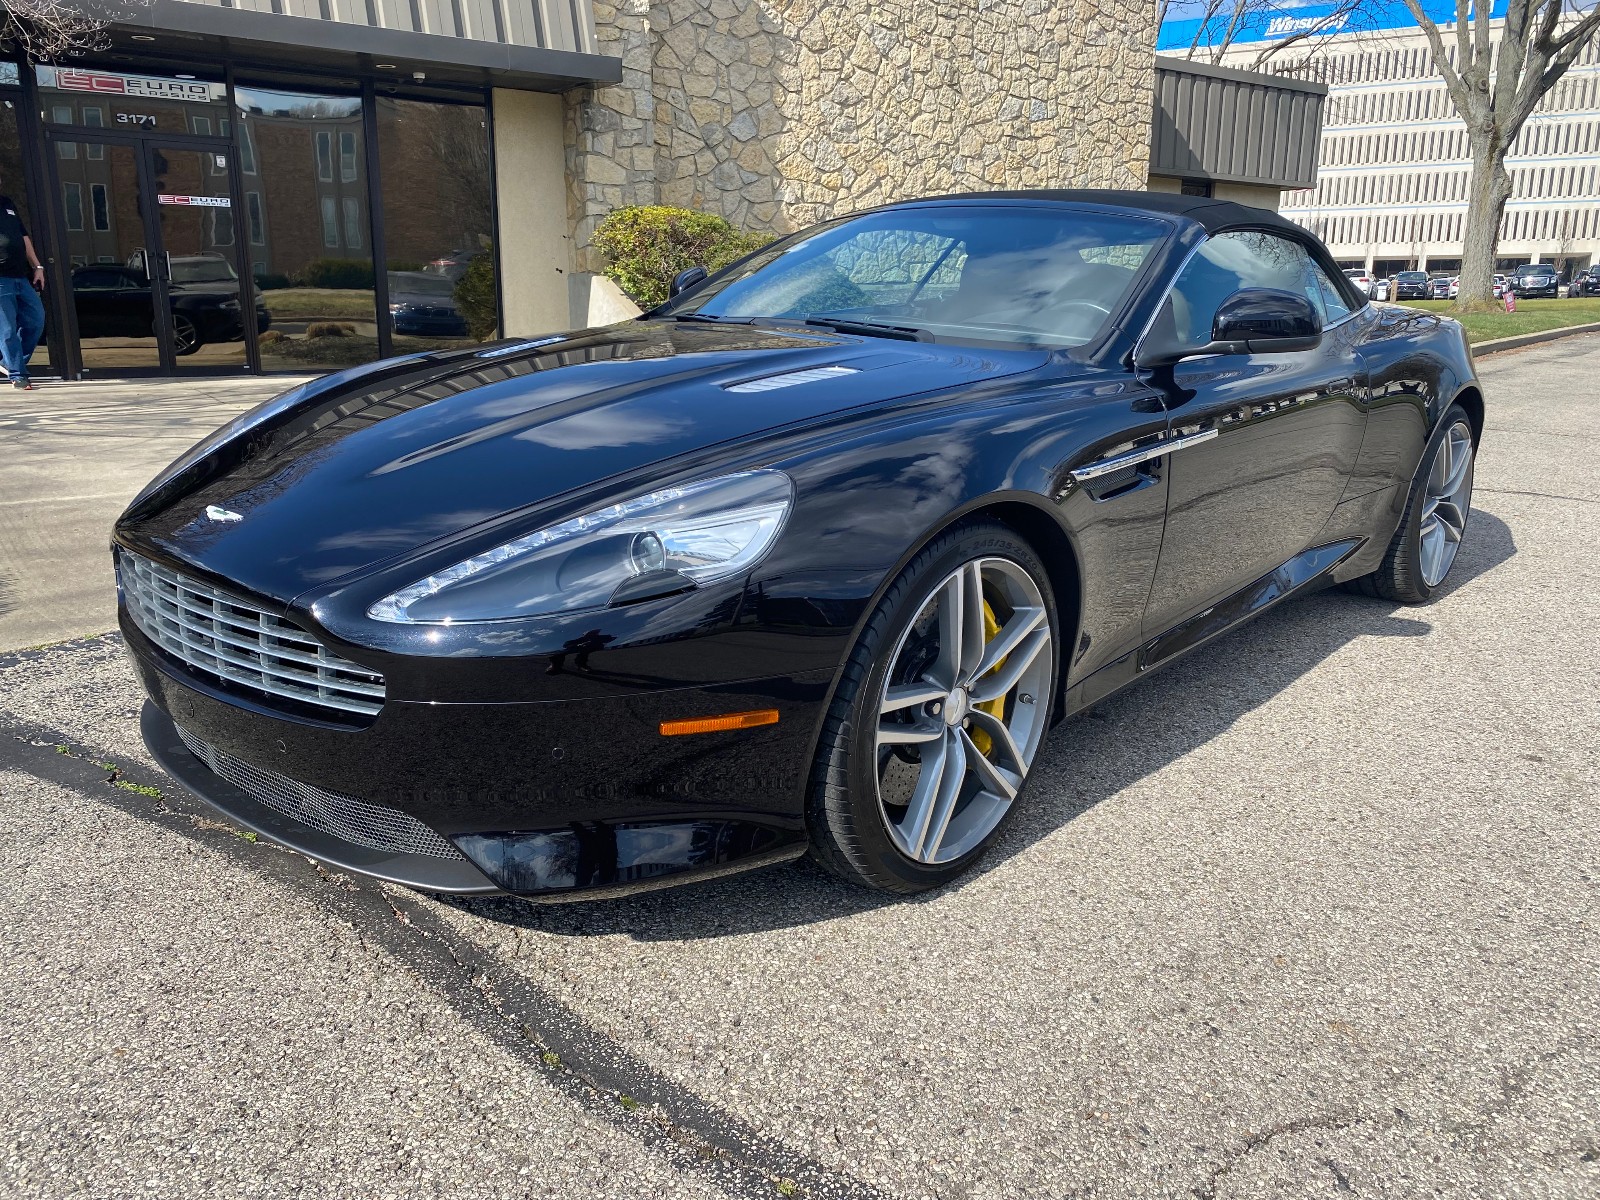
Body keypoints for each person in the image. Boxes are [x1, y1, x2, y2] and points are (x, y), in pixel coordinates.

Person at [0, 179, 45, 390]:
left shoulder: (7, 203)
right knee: (7, 329)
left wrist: (38, 267)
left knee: (36, 320)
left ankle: (7, 362)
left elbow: (23, 237)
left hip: (20, 276)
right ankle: (18, 375)